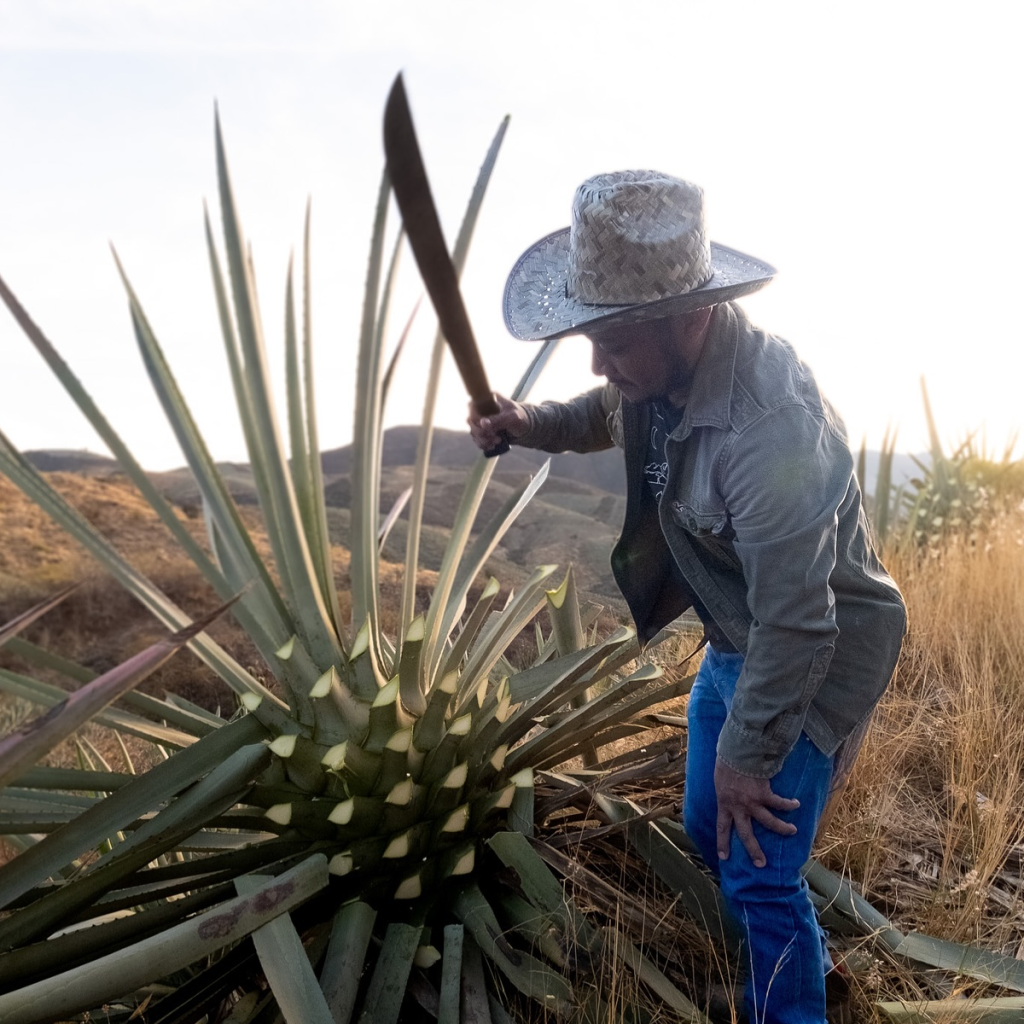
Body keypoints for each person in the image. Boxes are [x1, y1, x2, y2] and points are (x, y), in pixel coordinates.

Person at [468, 171, 907, 1024]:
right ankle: (803, 965)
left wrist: (751, 760)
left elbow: (798, 626)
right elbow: (606, 409)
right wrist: (528, 422)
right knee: (708, 823)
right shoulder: (657, 370)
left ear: (691, 317)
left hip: (813, 654)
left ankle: (791, 1008)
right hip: (737, 633)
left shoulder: (771, 432)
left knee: (756, 861)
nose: (599, 361)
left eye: (613, 341)